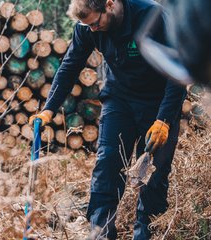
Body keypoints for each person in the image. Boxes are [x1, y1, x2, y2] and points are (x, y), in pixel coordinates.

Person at [29, 0, 186, 239]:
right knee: (107, 164)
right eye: (86, 25)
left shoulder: (152, 16)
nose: (91, 29)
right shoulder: (86, 27)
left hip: (158, 102)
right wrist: (49, 109)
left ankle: (146, 233)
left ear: (110, 5)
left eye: (95, 23)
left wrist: (164, 119)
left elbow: (178, 69)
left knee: (153, 174)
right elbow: (69, 67)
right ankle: (100, 233)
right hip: (119, 100)